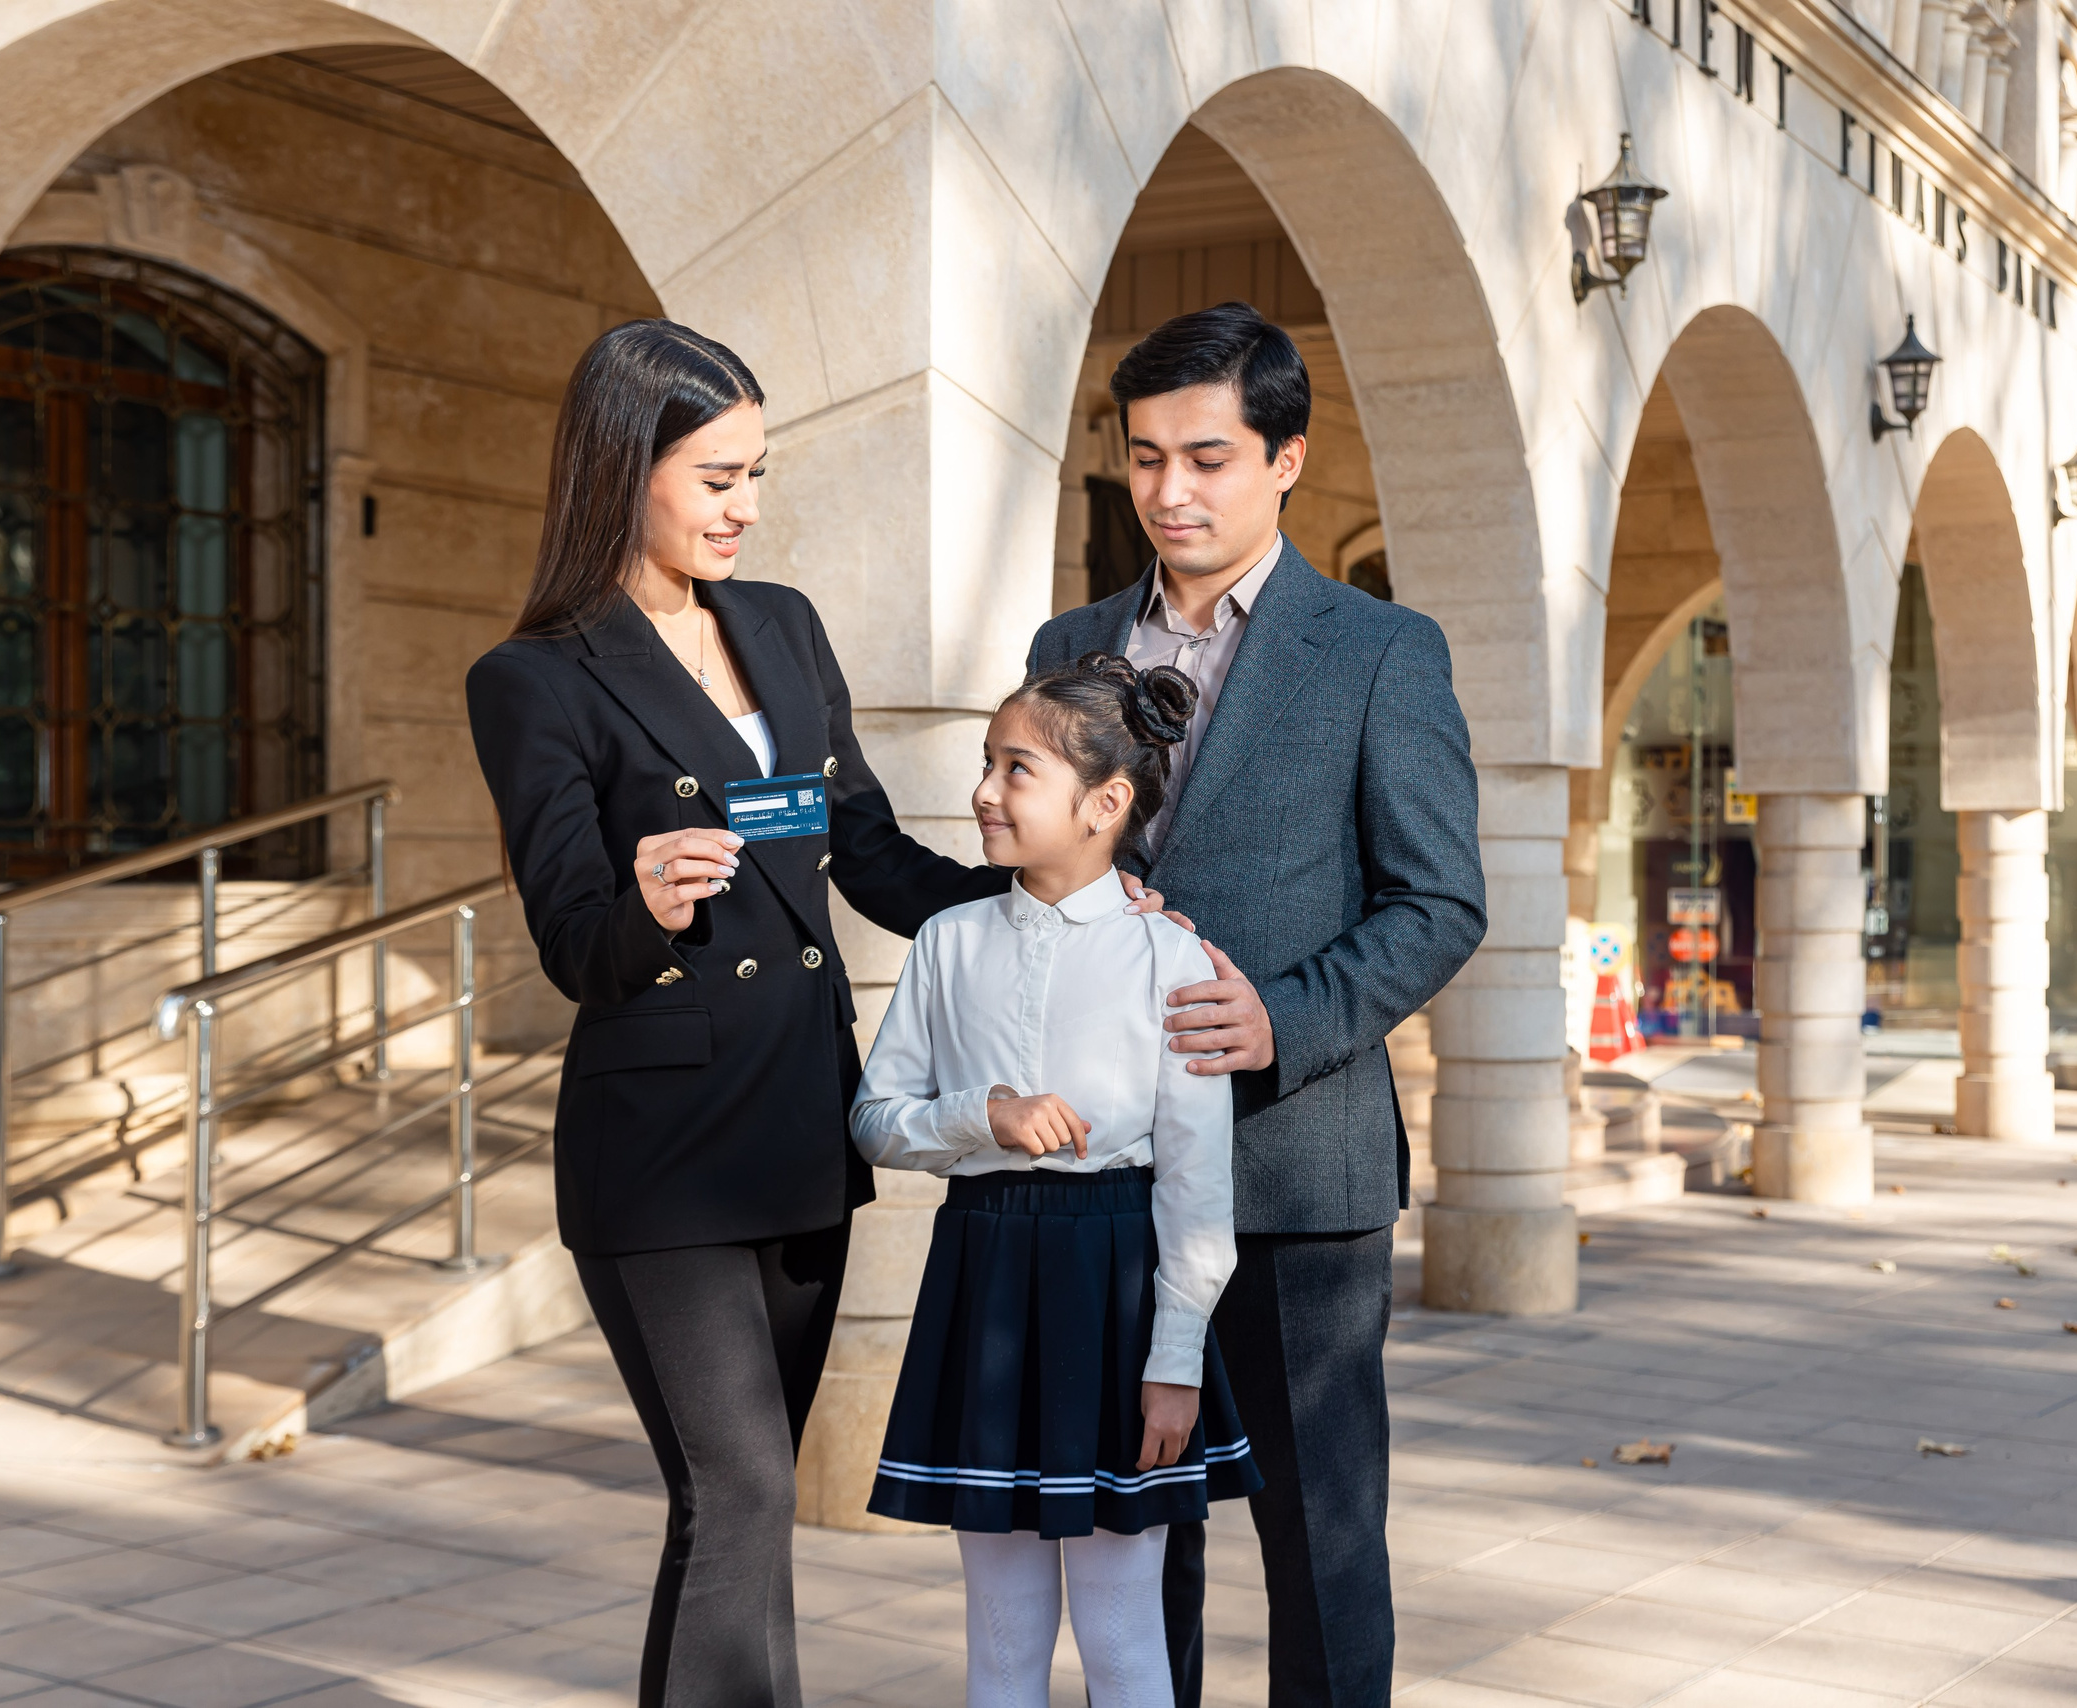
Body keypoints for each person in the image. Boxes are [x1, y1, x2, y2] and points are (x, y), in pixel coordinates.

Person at [464, 321, 1166, 1708]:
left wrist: (1057, 896)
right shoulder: (534, 678)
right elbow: (571, 947)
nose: (743, 507)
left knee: (738, 1507)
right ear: (624, 468)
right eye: (715, 476)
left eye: (757, 475)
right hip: (660, 1154)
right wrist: (646, 901)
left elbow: (869, 853)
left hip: (796, 1127)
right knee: (741, 1495)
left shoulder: (779, 625)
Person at [1027, 302, 1488, 1707]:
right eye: (1147, 458)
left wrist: (1285, 1016)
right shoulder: (1073, 642)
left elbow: (1440, 903)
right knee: (1129, 1539)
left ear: (1286, 459)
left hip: (1299, 1169)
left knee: (1321, 1539)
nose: (1171, 492)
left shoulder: (1379, 652)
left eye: (1209, 458)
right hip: (1106, 1179)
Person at [850, 655, 1262, 1708]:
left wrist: (1173, 1357)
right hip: (984, 1278)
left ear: (1106, 802)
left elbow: (1195, 1186)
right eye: (986, 764)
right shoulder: (946, 942)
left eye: (1016, 769)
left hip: (1117, 1296)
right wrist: (978, 1114)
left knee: (1124, 1634)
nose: (984, 791)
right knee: (1001, 1638)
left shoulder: (1171, 960)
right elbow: (873, 1119)